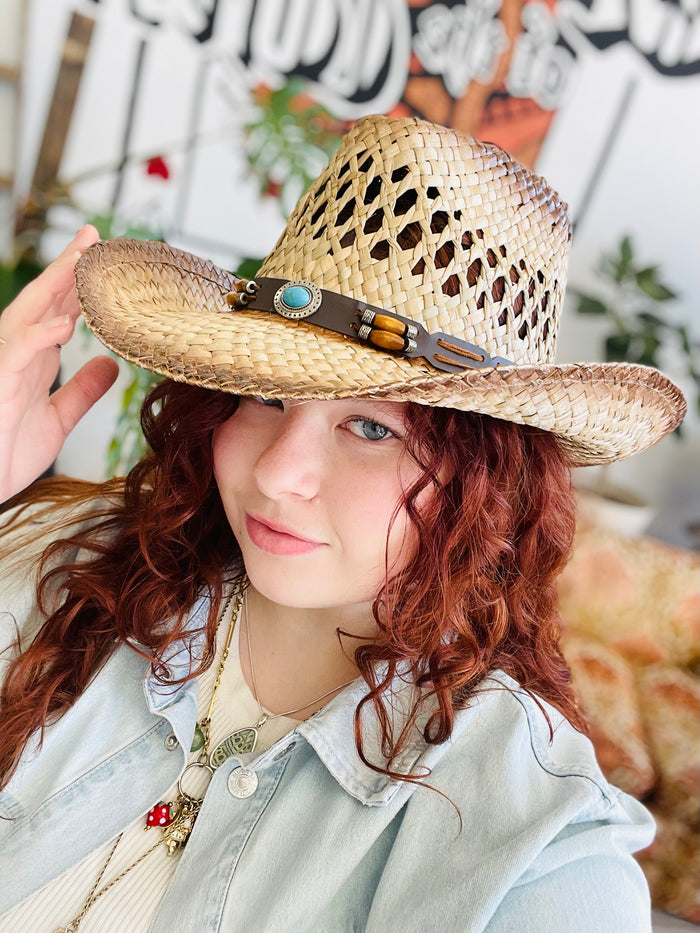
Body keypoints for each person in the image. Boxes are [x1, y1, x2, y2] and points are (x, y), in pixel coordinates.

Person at [0, 115, 686, 933]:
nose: (276, 473)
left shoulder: (528, 837)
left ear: (485, 486)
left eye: (373, 429)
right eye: (265, 396)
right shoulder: (68, 569)